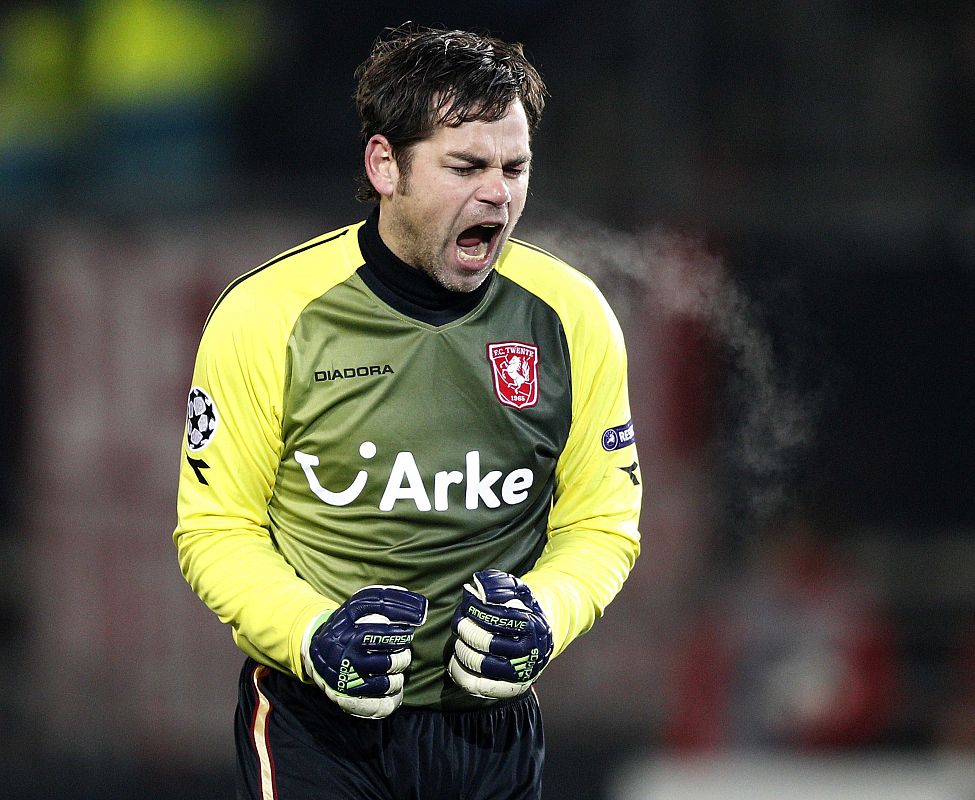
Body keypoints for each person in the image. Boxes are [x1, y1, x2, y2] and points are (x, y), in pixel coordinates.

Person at [174, 24, 642, 800]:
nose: (497, 192)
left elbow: (602, 523)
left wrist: (546, 618)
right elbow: (214, 530)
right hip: (315, 724)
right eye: (465, 167)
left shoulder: (571, 317)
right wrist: (312, 637)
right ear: (384, 165)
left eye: (514, 167)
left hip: (491, 733)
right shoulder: (268, 314)